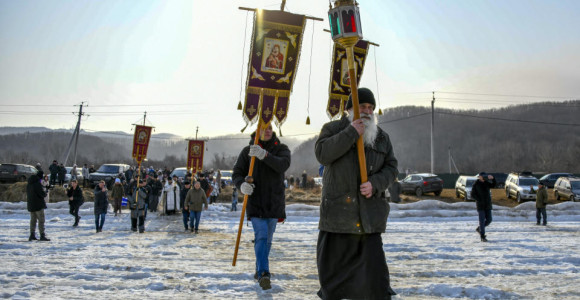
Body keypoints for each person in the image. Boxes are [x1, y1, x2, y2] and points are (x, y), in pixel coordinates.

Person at [314, 87, 398, 299]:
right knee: (334, 285)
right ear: (350, 109)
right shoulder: (332, 129)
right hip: (338, 219)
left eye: (371, 107)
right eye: (363, 106)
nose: (368, 111)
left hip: (369, 219)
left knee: (376, 283)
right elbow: (323, 154)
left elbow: (392, 168)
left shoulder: (381, 138)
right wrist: (351, 133)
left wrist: (375, 184)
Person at [232, 123, 291, 290]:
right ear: (257, 130)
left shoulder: (281, 148)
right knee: (262, 236)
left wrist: (264, 155)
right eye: (264, 127)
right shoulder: (247, 151)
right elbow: (237, 173)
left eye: (270, 128)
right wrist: (241, 185)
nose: (268, 130)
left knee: (268, 241)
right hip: (256, 202)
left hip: (274, 202)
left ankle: (259, 268)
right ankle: (264, 273)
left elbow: (282, 165)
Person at [471, 172, 496, 242]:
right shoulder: (476, 184)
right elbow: (472, 194)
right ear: (479, 177)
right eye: (482, 176)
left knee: (489, 220)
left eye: (484, 176)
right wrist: (479, 200)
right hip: (480, 206)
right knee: (481, 221)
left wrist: (493, 178)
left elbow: (494, 185)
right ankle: (482, 236)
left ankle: (479, 229)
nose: (483, 177)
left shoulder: (486, 183)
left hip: (487, 205)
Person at [27, 170, 50, 241]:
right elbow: (41, 194)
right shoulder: (37, 183)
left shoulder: (29, 183)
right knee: (41, 220)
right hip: (38, 205)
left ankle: (32, 235)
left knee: (33, 220)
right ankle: (42, 235)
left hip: (31, 205)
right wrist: (45, 192)